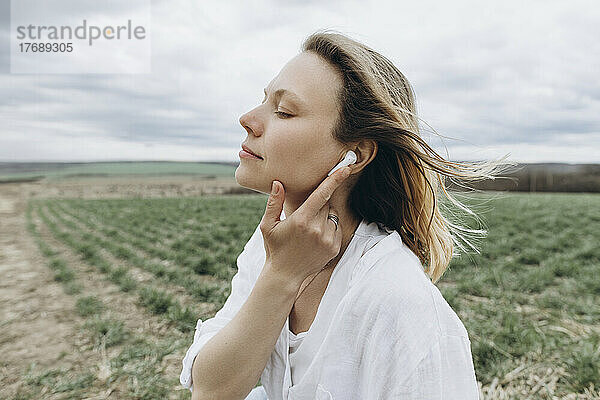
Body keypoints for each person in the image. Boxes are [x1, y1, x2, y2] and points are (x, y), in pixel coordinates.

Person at [180, 29, 509, 399]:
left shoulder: (399, 303)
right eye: (263, 101)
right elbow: (211, 390)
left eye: (284, 111)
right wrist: (281, 275)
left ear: (357, 155)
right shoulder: (269, 247)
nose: (248, 119)